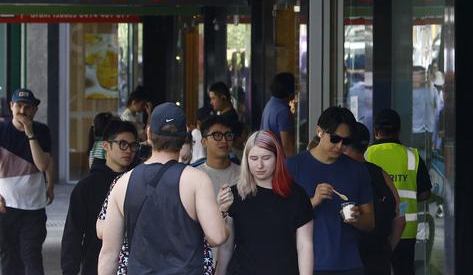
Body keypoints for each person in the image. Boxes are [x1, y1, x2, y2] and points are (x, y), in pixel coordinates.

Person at [98, 102, 229, 275]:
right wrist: (222, 216)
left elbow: (109, 254)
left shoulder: (122, 183)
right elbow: (217, 236)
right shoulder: (197, 180)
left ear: (149, 133)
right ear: (185, 137)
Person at [287, 106, 374, 275]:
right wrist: (313, 201)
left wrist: (356, 219)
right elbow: (281, 218)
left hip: (349, 264)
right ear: (319, 131)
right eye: (335, 138)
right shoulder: (293, 166)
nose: (340, 146)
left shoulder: (357, 170)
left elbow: (369, 222)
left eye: (346, 141)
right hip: (306, 264)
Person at [218, 130, 314, 275]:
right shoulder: (236, 195)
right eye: (254, 158)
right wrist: (222, 211)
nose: (260, 165)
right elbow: (226, 247)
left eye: (266, 158)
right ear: (246, 159)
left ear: (277, 157)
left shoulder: (297, 196)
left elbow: (304, 246)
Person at [0, 88, 52, 275]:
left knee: (32, 255)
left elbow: (43, 165)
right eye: (19, 106)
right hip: (6, 206)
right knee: (9, 256)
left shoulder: (42, 131)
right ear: (11, 107)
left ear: (34, 110)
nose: (22, 110)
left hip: (34, 207)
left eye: (27, 107)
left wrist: (30, 133)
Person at [61, 119, 138, 275]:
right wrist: (69, 270)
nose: (128, 150)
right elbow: (73, 235)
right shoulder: (86, 187)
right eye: (122, 144)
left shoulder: (139, 182)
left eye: (133, 145)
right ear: (106, 146)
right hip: (95, 266)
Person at [366, 108, 432, 275]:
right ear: (398, 131)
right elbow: (425, 193)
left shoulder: (366, 155)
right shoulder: (412, 156)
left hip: (376, 227)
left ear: (375, 131)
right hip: (406, 229)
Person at [344, 122, 405, 275]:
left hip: (348, 261)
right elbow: (401, 218)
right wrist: (386, 249)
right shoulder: (381, 174)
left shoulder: (340, 175)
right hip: (379, 258)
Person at [196, 115, 240, 275]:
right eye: (217, 135)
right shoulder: (193, 177)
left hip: (238, 262)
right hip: (200, 261)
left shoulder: (245, 176)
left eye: (228, 135)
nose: (223, 140)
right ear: (204, 141)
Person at [260, 72, 296, 157]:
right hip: (278, 162)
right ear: (289, 90)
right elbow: (286, 146)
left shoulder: (270, 104)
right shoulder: (283, 111)